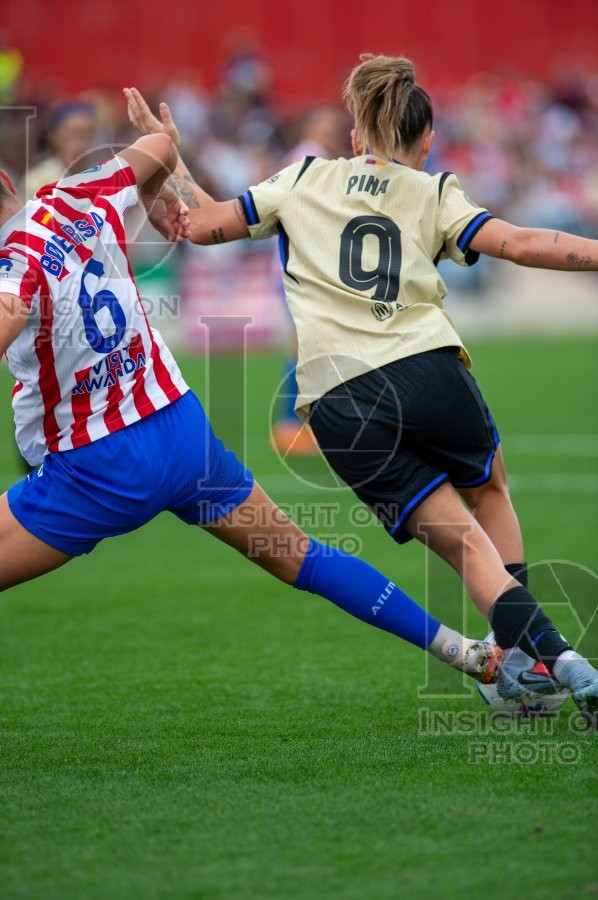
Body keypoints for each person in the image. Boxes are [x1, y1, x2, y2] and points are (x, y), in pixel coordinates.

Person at [123, 55, 598, 728]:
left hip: (339, 403)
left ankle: (555, 663)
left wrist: (166, 161)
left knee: (460, 543)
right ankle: (543, 659)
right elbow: (520, 243)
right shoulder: (433, 191)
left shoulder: (304, 178)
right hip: (427, 370)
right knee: (488, 488)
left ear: (353, 138)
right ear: (426, 141)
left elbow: (199, 226)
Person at [0, 130, 503, 700]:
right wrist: (163, 197)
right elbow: (162, 143)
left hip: (98, 464)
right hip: (179, 431)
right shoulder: (77, 195)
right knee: (302, 559)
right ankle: (470, 655)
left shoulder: (9, 266)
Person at [271, 104, 349, 455]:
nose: (332, 132)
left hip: (293, 268)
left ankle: (299, 423)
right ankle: (292, 424)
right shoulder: (311, 158)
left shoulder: (303, 157)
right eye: (326, 125)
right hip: (300, 271)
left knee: (305, 346)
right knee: (306, 347)